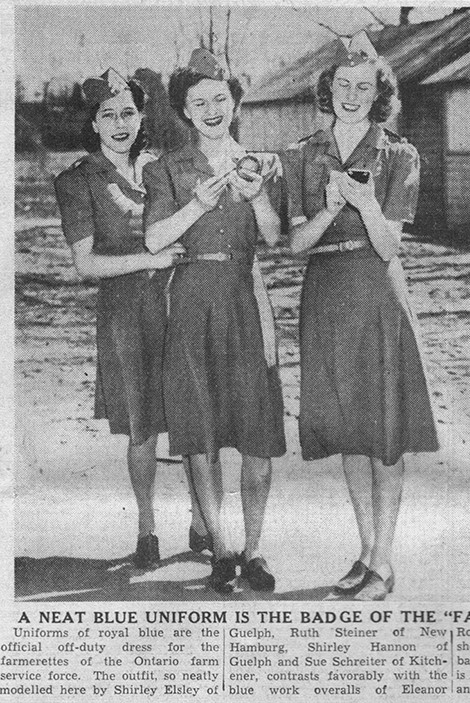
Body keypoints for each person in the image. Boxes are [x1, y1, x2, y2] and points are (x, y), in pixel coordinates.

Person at [284, 32, 439, 601]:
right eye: (342, 85)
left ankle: (386, 559)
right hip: (325, 291)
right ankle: (364, 548)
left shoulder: (399, 154)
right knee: (349, 428)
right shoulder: (303, 153)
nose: (352, 95)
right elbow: (295, 244)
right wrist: (328, 209)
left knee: (385, 431)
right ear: (329, 90)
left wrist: (366, 202)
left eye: (363, 86)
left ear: (380, 93)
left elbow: (390, 246)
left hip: (377, 293)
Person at [143, 49, 286, 595]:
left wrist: (259, 197)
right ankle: (222, 551)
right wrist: (198, 206)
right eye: (197, 102)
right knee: (199, 433)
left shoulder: (260, 162)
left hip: (246, 300)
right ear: (183, 110)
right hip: (193, 302)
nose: (210, 110)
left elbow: (273, 238)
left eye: (219, 100)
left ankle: (255, 549)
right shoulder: (166, 169)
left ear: (234, 104)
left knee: (257, 434)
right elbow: (156, 239)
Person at [54, 69, 206, 569]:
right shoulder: (78, 180)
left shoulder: (165, 168)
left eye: (128, 113)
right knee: (143, 428)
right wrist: (151, 260)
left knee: (193, 417)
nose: (119, 124)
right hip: (126, 313)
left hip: (180, 301)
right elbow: (85, 265)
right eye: (107, 115)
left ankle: (203, 520)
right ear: (93, 123)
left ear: (142, 118)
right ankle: (147, 528)